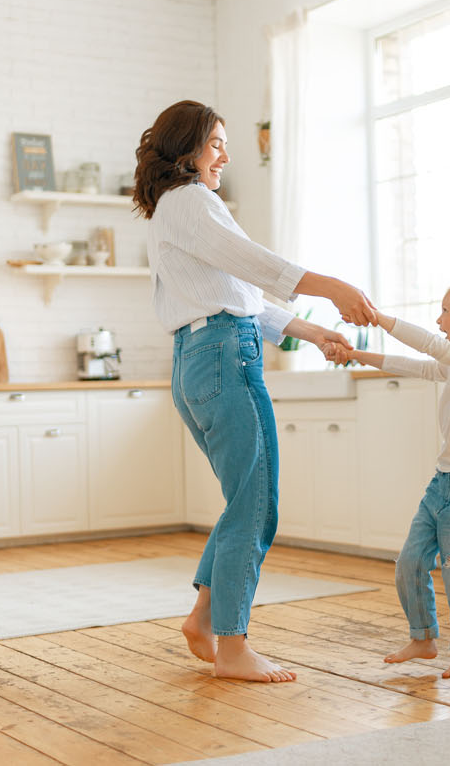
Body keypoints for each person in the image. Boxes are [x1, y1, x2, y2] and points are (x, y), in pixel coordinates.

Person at [133, 100, 377, 683]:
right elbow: (257, 265)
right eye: (215, 143)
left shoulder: (174, 209)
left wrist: (312, 329)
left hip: (200, 358)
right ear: (187, 149)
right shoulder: (193, 201)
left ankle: (204, 619)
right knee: (257, 504)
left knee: (248, 500)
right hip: (223, 356)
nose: (224, 155)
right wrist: (333, 286)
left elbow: (236, 290)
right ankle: (233, 646)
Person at [325, 272, 450, 679]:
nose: (439, 319)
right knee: (410, 562)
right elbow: (416, 365)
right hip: (444, 482)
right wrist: (358, 356)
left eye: (446, 311)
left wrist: (378, 318)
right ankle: (424, 637)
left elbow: (433, 347)